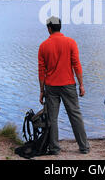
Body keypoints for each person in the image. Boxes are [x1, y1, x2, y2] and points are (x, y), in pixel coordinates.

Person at [38, 16, 90, 155]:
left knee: (52, 118)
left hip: (51, 86)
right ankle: (84, 147)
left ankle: (54, 148)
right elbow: (76, 65)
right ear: (60, 27)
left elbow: (41, 70)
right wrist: (81, 85)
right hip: (68, 84)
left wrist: (41, 90)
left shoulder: (43, 46)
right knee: (75, 115)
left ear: (49, 28)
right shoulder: (71, 42)